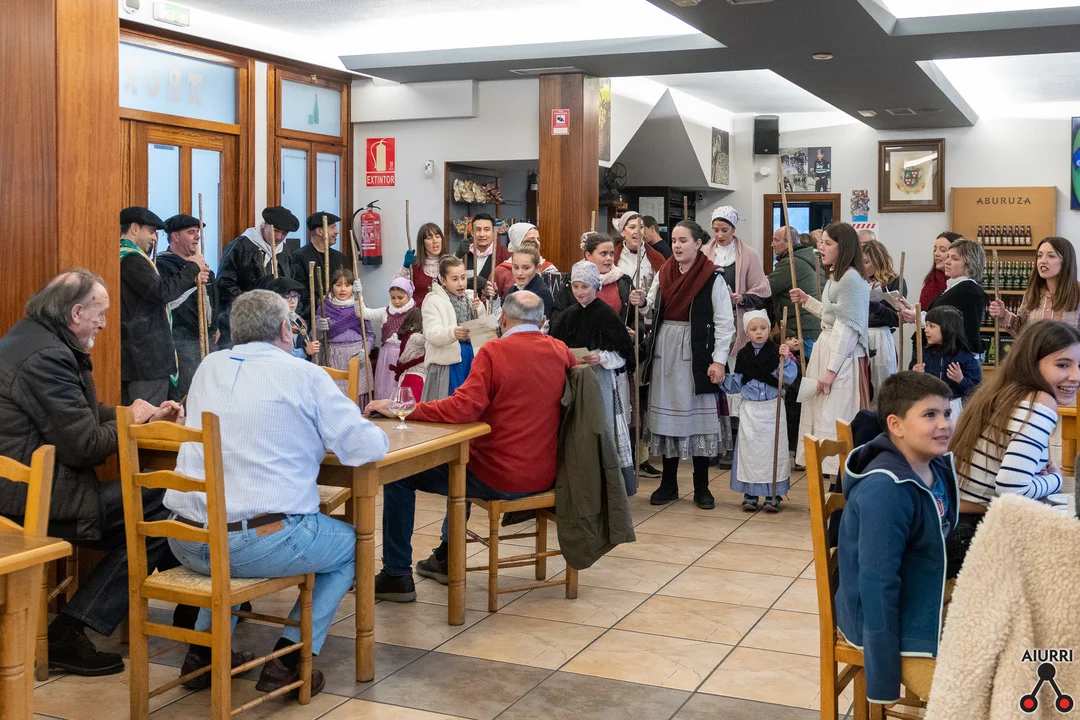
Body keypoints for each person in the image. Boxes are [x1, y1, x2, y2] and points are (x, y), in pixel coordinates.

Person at [165, 289, 389, 696]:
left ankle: (203, 655)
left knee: (233, 523)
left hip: (184, 538)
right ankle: (289, 659)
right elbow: (366, 447)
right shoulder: (305, 374)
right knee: (353, 546)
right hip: (249, 544)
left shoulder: (208, 366)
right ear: (287, 329)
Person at [0, 269, 188, 676]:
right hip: (32, 502)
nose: (104, 323)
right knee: (169, 506)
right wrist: (131, 420)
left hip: (24, 490)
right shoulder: (47, 356)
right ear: (75, 312)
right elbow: (83, 446)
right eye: (100, 314)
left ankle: (78, 625)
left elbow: (80, 414)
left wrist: (138, 414)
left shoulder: (30, 337)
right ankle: (70, 631)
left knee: (154, 514)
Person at [365, 292, 577, 597]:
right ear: (542, 320)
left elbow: (461, 409)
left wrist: (405, 408)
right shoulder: (561, 350)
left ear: (503, 319)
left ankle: (396, 576)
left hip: (498, 476)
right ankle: (445, 556)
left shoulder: (494, 351)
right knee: (461, 464)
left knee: (401, 475)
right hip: (547, 475)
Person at [836, 372, 958, 707]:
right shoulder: (886, 490)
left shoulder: (935, 466)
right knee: (974, 701)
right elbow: (876, 586)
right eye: (930, 414)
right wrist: (884, 680)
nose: (944, 424)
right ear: (896, 425)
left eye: (947, 413)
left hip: (920, 602)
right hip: (892, 631)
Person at [948, 320, 1080, 574]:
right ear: (1032, 363)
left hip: (955, 525)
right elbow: (1012, 489)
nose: (1076, 376)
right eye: (1063, 365)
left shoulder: (1004, 392)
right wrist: (1055, 478)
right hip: (976, 533)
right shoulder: (1040, 401)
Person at [632, 220, 736, 509]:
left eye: (683, 240)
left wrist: (719, 361)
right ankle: (669, 484)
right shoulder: (664, 272)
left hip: (697, 354)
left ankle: (702, 487)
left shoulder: (712, 277)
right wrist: (642, 303)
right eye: (674, 240)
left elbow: (725, 323)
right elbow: (652, 311)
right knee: (668, 421)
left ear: (698, 244)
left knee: (698, 421)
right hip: (665, 351)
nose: (676, 246)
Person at [790, 222, 870, 475]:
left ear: (842, 247)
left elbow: (847, 329)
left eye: (827, 243)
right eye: (821, 242)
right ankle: (826, 467)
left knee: (836, 412)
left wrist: (831, 371)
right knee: (821, 409)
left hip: (841, 355)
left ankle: (839, 472)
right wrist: (807, 301)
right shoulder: (837, 275)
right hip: (828, 346)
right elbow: (832, 314)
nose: (821, 248)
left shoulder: (851, 280)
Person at [551, 259, 637, 494]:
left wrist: (602, 357)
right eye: (575, 286)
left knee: (601, 427)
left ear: (595, 287)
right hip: (573, 382)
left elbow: (624, 355)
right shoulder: (567, 316)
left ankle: (606, 484)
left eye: (585, 287)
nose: (579, 292)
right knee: (576, 429)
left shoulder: (606, 314)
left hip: (600, 381)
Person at [120, 206, 209, 405]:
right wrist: (192, 268)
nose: (154, 238)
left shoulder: (126, 256)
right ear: (134, 228)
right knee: (148, 415)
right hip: (145, 355)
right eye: (151, 231)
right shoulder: (131, 259)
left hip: (141, 354)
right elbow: (161, 292)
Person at [723, 310, 798, 512]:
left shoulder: (777, 352)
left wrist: (786, 360)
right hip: (751, 411)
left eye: (763, 328)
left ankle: (773, 493)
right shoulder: (743, 355)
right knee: (751, 453)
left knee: (773, 451)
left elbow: (789, 377)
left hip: (773, 408)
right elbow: (737, 383)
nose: (759, 332)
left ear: (769, 329)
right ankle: (751, 493)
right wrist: (721, 379)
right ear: (746, 332)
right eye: (754, 329)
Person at [158, 213, 220, 398]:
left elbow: (213, 296)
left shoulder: (202, 264)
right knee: (188, 392)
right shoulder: (163, 266)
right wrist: (192, 278)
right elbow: (167, 300)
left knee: (210, 389)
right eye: (191, 232)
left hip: (208, 336)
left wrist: (215, 324)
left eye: (198, 232)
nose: (197, 237)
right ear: (175, 236)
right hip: (182, 339)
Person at [218, 206, 300, 343]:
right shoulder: (241, 246)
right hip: (245, 317)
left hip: (274, 320)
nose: (279, 237)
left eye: (284, 233)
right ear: (265, 225)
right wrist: (252, 303)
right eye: (276, 231)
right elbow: (224, 283)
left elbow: (289, 283)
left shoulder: (284, 251)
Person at [901, 238, 988, 361]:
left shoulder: (969, 290)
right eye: (947, 257)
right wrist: (913, 311)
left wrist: (918, 318)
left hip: (956, 358)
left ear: (970, 264)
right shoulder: (954, 286)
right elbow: (937, 314)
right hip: (943, 354)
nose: (947, 262)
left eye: (954, 258)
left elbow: (953, 325)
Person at [703, 206, 770, 357]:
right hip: (710, 316)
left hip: (736, 317)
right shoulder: (704, 253)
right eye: (715, 230)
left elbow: (762, 292)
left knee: (735, 360)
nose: (719, 235)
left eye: (724, 230)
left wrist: (741, 298)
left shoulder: (749, 255)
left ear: (733, 229)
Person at [422, 255, 487, 401]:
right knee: (448, 403)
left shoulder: (470, 297)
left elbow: (483, 332)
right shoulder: (433, 301)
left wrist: (480, 310)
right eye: (455, 279)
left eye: (463, 278)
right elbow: (432, 334)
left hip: (471, 359)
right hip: (448, 364)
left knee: (470, 403)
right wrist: (453, 333)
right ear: (443, 280)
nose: (461, 283)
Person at [989, 236, 1080, 335]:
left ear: (1066, 261)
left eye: (1051, 256)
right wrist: (1003, 314)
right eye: (1040, 256)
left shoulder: (1077, 293)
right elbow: (1022, 330)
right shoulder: (1033, 292)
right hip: (1034, 346)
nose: (1043, 261)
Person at [910, 305, 981, 418]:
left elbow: (977, 390)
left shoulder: (965, 356)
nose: (926, 330)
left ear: (947, 328)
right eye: (926, 325)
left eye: (932, 326)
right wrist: (914, 374)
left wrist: (961, 380)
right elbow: (910, 382)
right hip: (927, 405)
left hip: (954, 408)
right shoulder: (923, 353)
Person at [318, 268, 376, 400]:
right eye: (338, 285)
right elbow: (315, 337)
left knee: (358, 396)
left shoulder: (360, 307)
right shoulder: (324, 308)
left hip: (357, 359)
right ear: (332, 286)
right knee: (336, 397)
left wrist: (365, 351)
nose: (343, 289)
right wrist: (319, 328)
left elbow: (370, 335)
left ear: (353, 287)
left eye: (348, 285)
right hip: (333, 359)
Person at [767, 225, 823, 360]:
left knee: (807, 369)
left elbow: (767, 289)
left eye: (776, 240)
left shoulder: (792, 263)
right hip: (813, 326)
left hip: (803, 329)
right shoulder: (807, 257)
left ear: (789, 242)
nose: (772, 244)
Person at [862, 239, 907, 404]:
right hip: (861, 335)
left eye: (866, 262)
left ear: (878, 261)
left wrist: (880, 308)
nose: (862, 266)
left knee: (881, 385)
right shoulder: (859, 281)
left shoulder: (894, 281)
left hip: (881, 336)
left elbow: (898, 318)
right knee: (863, 387)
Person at [361, 277, 416, 400]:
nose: (396, 301)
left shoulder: (414, 314)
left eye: (400, 298)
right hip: (386, 357)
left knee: (402, 386)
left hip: (406, 356)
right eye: (393, 298)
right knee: (385, 386)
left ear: (409, 295)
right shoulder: (385, 312)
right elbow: (363, 313)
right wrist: (357, 296)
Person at [290, 211, 346, 320]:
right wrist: (318, 301)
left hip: (338, 316)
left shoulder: (340, 257)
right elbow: (298, 290)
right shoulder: (300, 256)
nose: (337, 231)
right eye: (332, 227)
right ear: (320, 231)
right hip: (311, 317)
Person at [260, 276, 319, 360]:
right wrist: (305, 351)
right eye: (286, 296)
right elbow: (280, 353)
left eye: (295, 296)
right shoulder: (273, 323)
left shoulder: (297, 319)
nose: (293, 301)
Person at [492, 223, 558, 296]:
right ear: (517, 242)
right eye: (530, 241)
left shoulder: (549, 269)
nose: (537, 243)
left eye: (538, 239)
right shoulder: (501, 271)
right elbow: (489, 298)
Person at [458, 212, 510, 296]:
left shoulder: (505, 255)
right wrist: (457, 256)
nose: (482, 234)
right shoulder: (465, 253)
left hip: (492, 303)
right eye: (478, 229)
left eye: (487, 229)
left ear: (494, 232)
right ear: (472, 233)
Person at [613, 211, 665, 292]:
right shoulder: (613, 257)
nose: (637, 231)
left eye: (641, 227)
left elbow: (661, 289)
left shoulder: (656, 258)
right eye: (632, 227)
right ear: (622, 232)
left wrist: (644, 299)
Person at [504, 242, 556, 320]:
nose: (519, 273)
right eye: (516, 267)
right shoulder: (512, 289)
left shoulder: (541, 294)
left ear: (537, 268)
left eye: (526, 268)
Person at [399, 222, 445, 307]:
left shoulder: (447, 263)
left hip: (444, 312)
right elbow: (396, 288)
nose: (435, 241)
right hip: (419, 312)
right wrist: (405, 267)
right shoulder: (414, 265)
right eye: (429, 238)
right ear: (422, 243)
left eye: (438, 236)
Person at [390, 308, 426, 399]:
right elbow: (430, 338)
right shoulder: (415, 337)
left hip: (408, 377)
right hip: (415, 379)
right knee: (414, 406)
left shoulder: (407, 337)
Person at [919, 231, 961, 309]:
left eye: (943, 250)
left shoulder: (964, 285)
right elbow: (923, 310)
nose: (936, 254)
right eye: (935, 250)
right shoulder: (932, 279)